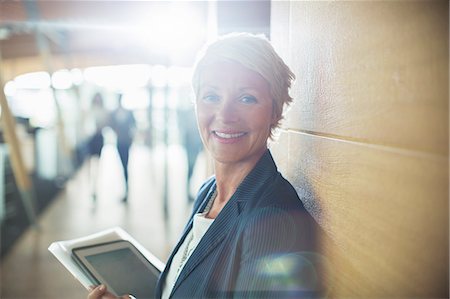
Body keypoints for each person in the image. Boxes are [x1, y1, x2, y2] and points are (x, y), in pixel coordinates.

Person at [88, 33, 324, 299]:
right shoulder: (208, 191)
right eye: (211, 96)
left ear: (275, 112)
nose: (225, 115)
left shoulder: (274, 220)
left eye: (247, 98)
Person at [109, 94, 136, 203]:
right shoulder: (114, 113)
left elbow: (133, 125)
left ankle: (127, 188)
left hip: (126, 142)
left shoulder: (127, 113)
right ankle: (126, 187)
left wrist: (131, 137)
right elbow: (111, 125)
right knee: (123, 165)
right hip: (120, 142)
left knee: (125, 165)